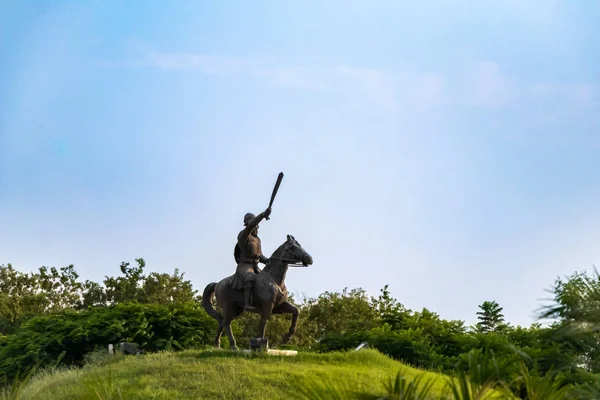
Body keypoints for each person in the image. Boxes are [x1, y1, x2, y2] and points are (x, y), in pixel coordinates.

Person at [231, 207, 272, 311]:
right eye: (256, 226)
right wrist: (263, 215)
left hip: (255, 266)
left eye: (258, 226)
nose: (257, 228)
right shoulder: (243, 236)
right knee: (250, 277)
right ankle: (247, 304)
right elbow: (251, 225)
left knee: (268, 280)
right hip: (245, 267)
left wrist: (269, 261)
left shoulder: (257, 240)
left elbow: (260, 256)